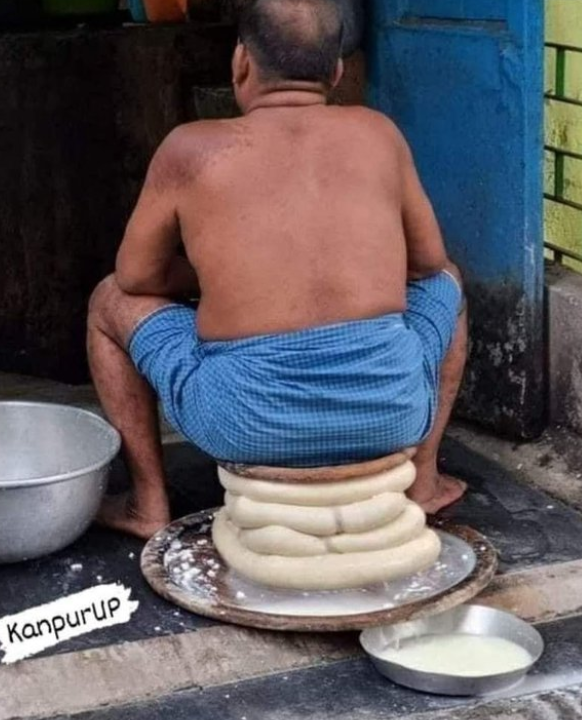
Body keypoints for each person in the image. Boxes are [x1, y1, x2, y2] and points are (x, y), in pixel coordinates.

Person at [86, 0, 468, 539]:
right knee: (447, 282)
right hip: (392, 412)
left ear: (241, 62)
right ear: (335, 71)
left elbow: (136, 279)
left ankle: (148, 504)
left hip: (242, 425)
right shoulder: (379, 134)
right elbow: (428, 263)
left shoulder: (189, 148)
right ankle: (422, 481)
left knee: (107, 301)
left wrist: (219, 278)